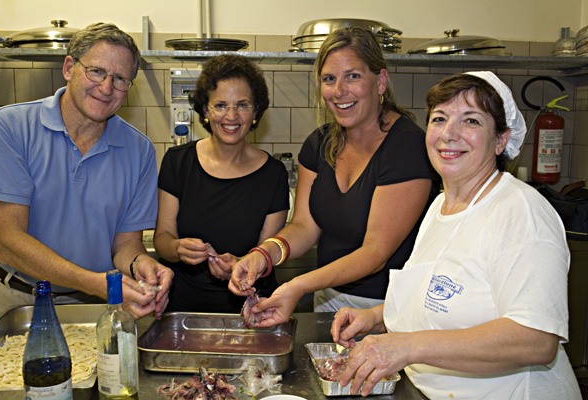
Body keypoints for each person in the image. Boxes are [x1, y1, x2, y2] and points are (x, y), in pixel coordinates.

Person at [330, 71, 581, 399]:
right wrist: (376, 318)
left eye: (471, 121)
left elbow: (536, 340)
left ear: (501, 140)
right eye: (439, 118)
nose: (449, 133)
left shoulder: (520, 210)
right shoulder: (440, 207)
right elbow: (441, 297)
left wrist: (408, 346)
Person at [229, 27, 439, 326]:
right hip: (328, 299)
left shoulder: (407, 147)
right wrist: (263, 255)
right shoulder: (319, 143)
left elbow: (375, 252)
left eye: (352, 76)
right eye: (329, 79)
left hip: (388, 310)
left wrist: (298, 285)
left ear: (380, 81)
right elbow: (303, 226)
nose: (339, 91)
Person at [0, 23, 173, 321]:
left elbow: (126, 244)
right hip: (20, 300)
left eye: (120, 79)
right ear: (69, 67)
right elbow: (8, 242)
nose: (106, 88)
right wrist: (96, 283)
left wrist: (140, 263)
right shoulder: (9, 128)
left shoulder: (139, 150)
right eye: (96, 71)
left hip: (99, 304)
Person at [154, 54, 289, 313]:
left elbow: (267, 250)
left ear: (256, 111)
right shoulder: (177, 163)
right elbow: (162, 238)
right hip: (183, 309)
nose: (231, 116)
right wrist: (176, 248)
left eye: (242, 105)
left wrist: (242, 265)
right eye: (220, 105)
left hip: (250, 309)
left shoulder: (274, 175)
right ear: (205, 110)